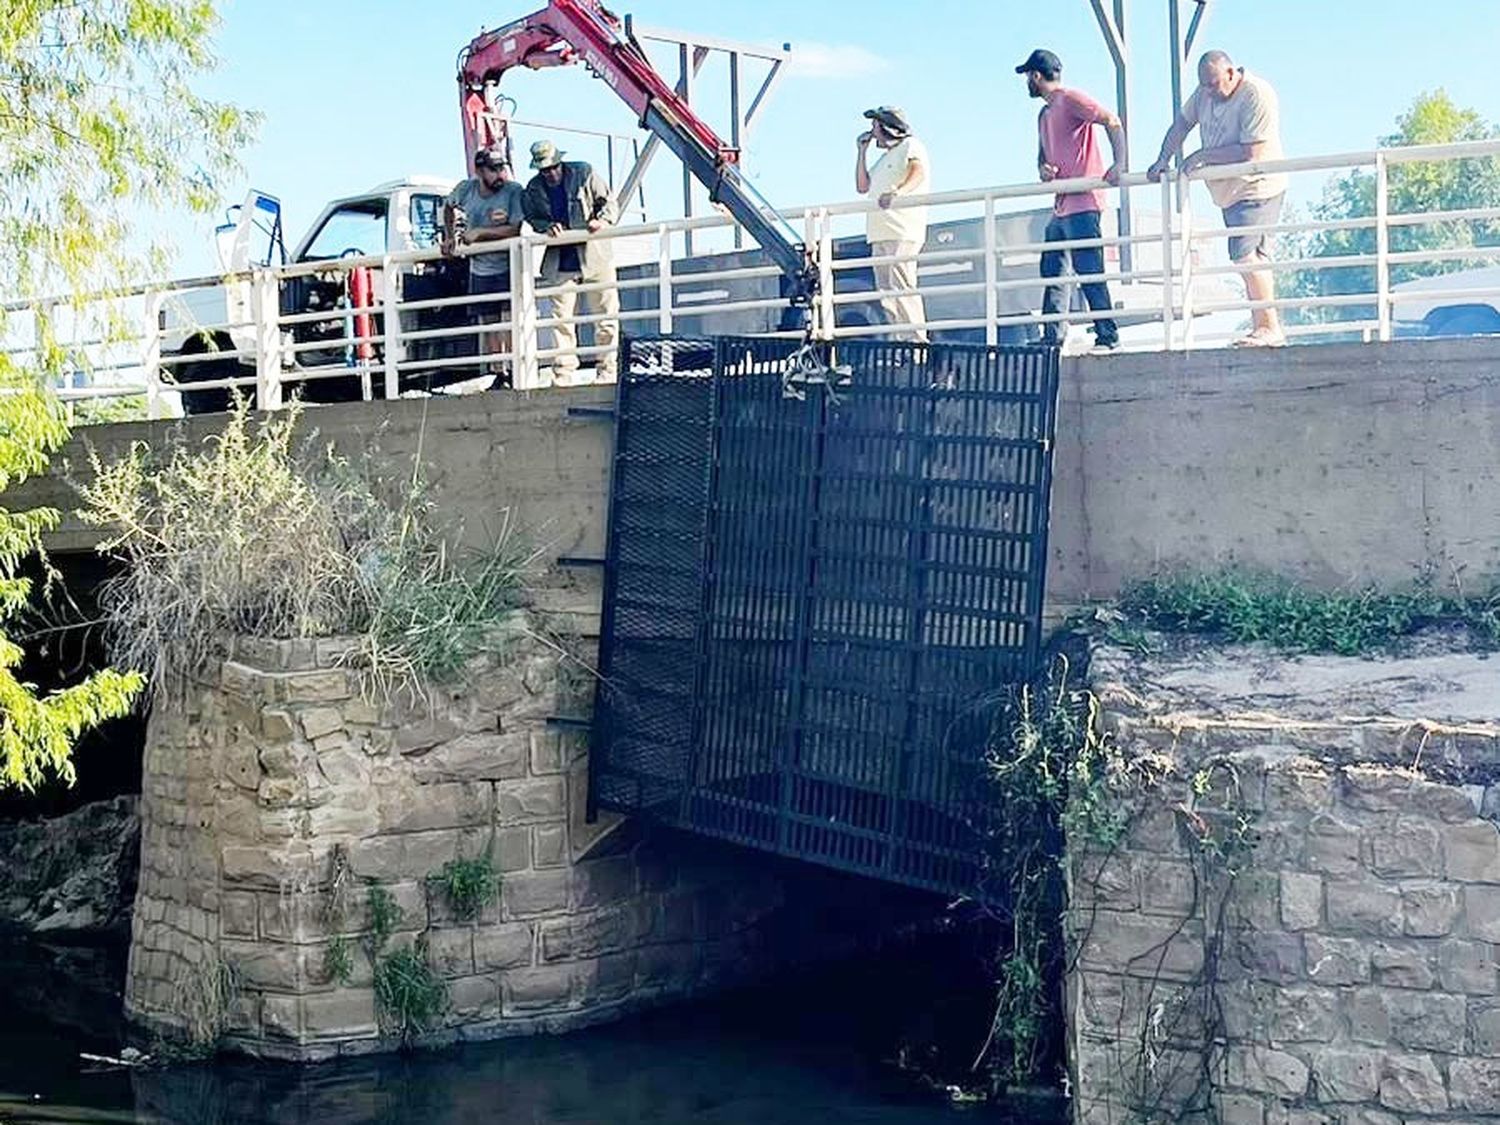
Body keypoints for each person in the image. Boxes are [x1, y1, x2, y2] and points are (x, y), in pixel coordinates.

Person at [1147, 50, 1288, 347]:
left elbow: (1252, 153)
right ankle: (1265, 326)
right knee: (1248, 257)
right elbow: (1181, 125)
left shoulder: (1256, 93)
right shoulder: (1203, 94)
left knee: (1245, 254)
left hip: (1258, 185)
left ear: (1231, 73)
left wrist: (1202, 156)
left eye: (1214, 84)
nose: (1210, 91)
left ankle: (1268, 327)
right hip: (1229, 192)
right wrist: (1163, 158)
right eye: (1204, 86)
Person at [1016, 48, 1124, 352]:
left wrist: (1120, 163)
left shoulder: (1070, 98)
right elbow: (1042, 155)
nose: (1027, 82)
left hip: (1084, 202)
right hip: (1062, 204)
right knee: (1053, 269)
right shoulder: (1044, 113)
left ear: (1036, 76)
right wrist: (1043, 168)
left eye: (1028, 76)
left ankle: (1108, 334)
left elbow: (1111, 120)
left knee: (1089, 268)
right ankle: (1053, 337)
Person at [521, 139, 620, 383]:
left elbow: (608, 202)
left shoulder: (583, 172)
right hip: (560, 259)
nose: (551, 173)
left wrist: (602, 221)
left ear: (560, 161)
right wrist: (547, 227)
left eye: (553, 167)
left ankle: (607, 369)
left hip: (595, 254)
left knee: (605, 315)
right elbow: (533, 217)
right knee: (561, 320)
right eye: (545, 170)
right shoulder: (533, 188)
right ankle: (563, 374)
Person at [445, 147, 526, 382]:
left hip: (508, 264)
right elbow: (448, 207)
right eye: (494, 169)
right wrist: (449, 236)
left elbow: (514, 228)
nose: (500, 174)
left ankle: (514, 370)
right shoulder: (466, 189)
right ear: (480, 171)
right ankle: (499, 372)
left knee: (510, 318)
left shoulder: (513, 191)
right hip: (480, 268)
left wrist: (480, 234)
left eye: (502, 167)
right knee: (489, 321)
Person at [854, 105, 930, 342]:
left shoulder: (911, 145)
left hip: (902, 229)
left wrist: (897, 191)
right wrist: (862, 152)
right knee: (887, 289)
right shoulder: (885, 158)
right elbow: (862, 186)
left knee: (902, 285)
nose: (872, 130)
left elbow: (918, 172)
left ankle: (916, 340)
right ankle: (899, 339)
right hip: (879, 232)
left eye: (875, 125)